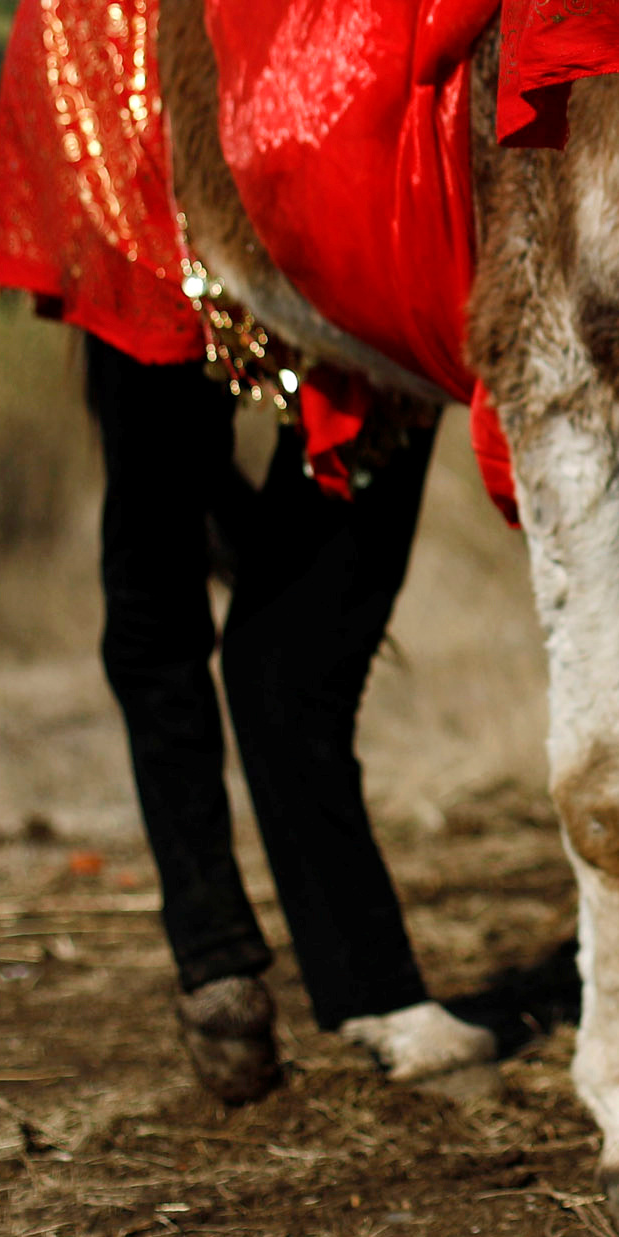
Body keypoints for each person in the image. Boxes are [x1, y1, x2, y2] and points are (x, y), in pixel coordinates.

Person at [84, 344, 493, 1101]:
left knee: (303, 637)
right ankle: (213, 954)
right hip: (163, 243)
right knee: (156, 572)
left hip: (359, 250)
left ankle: (373, 985)